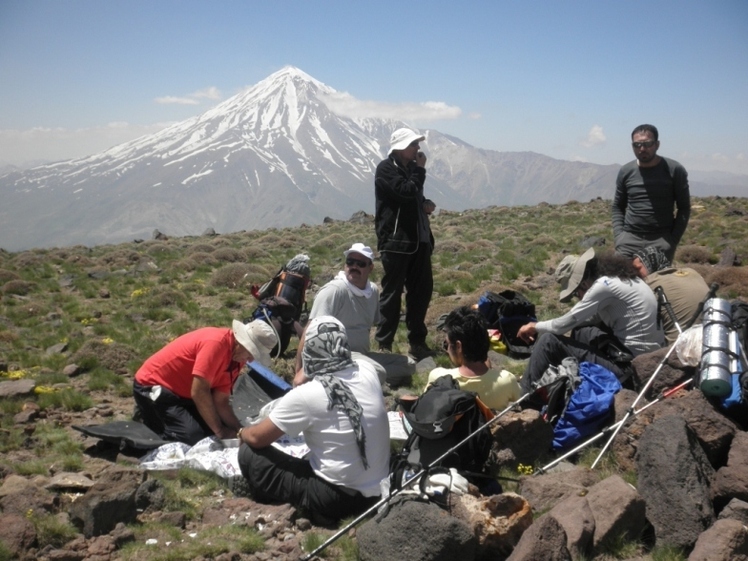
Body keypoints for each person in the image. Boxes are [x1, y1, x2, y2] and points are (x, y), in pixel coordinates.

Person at [237, 316, 389, 523]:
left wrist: (242, 433)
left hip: (334, 498)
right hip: (378, 490)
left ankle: (286, 504)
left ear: (310, 350)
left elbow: (257, 438)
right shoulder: (367, 371)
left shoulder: (307, 395)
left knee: (248, 453)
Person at [517, 248, 665, 393]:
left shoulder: (604, 286)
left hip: (631, 371)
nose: (578, 298)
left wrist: (534, 326)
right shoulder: (621, 279)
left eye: (576, 293)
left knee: (547, 341)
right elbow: (585, 319)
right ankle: (575, 385)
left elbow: (561, 326)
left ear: (583, 282)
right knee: (582, 331)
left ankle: (524, 397)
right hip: (646, 363)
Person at [133, 320, 278, 445]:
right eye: (251, 353)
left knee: (210, 433)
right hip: (154, 387)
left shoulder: (237, 357)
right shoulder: (215, 344)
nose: (251, 360)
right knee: (192, 438)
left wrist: (240, 431)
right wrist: (221, 431)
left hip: (184, 394)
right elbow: (199, 392)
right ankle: (147, 417)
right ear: (242, 343)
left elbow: (220, 400)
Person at [293, 242, 415, 387]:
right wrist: (298, 369)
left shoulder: (373, 292)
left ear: (370, 268)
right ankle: (352, 381)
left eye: (360, 263)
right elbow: (309, 329)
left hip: (360, 356)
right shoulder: (335, 290)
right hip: (335, 356)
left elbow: (368, 326)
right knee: (379, 372)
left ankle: (358, 381)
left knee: (409, 365)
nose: (354, 267)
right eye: (350, 262)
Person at [374, 127, 436, 361]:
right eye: (413, 145)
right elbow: (405, 192)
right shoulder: (386, 169)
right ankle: (384, 344)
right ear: (401, 147)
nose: (417, 149)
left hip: (418, 241)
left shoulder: (410, 169)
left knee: (421, 293)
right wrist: (420, 171)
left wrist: (425, 203)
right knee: (392, 293)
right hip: (396, 242)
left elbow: (413, 198)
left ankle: (417, 342)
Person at [612, 124, 690, 262]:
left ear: (657, 144)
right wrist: (620, 237)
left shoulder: (674, 170)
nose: (642, 149)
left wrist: (672, 241)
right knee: (619, 281)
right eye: (637, 145)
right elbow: (618, 206)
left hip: (660, 240)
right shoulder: (626, 171)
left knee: (657, 283)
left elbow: (684, 208)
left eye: (647, 144)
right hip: (629, 240)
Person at [426, 306, 521, 410]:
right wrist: (490, 371)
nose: (447, 350)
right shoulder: (507, 381)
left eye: (446, 344)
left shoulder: (438, 377)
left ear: (458, 346)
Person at [632, 245, 710, 345]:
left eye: (637, 269)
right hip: (714, 338)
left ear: (649, 264)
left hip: (680, 349)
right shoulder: (691, 272)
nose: (634, 273)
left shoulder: (649, 284)